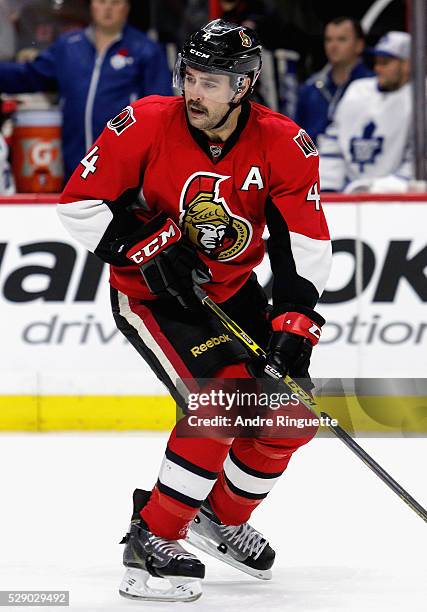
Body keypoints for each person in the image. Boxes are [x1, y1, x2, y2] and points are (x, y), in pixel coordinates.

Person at [57, 19, 331, 602]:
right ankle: (151, 536)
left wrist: (295, 327)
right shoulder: (146, 122)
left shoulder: (283, 143)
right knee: (223, 399)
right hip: (151, 296)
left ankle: (220, 518)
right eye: (191, 76)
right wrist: (151, 244)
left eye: (212, 81)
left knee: (291, 413)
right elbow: (79, 206)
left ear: (244, 86)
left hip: (233, 291)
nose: (195, 92)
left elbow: (300, 245)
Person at [0, 0, 172, 181]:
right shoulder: (69, 46)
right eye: (102, 1)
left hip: (124, 173)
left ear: (127, 7)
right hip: (74, 169)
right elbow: (29, 75)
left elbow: (161, 111)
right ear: (91, 6)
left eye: (115, 2)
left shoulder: (145, 50)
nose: (107, 8)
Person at [318, 31, 412, 193]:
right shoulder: (357, 90)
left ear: (406, 64)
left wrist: (377, 189)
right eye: (377, 62)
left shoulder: (419, 98)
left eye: (385, 62)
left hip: (400, 200)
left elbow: (418, 162)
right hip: (349, 197)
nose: (378, 68)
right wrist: (327, 189)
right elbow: (332, 145)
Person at [295, 16, 373, 144]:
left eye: (342, 39)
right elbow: (296, 136)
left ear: (359, 45)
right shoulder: (310, 89)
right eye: (329, 40)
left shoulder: (373, 87)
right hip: (317, 161)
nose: (333, 46)